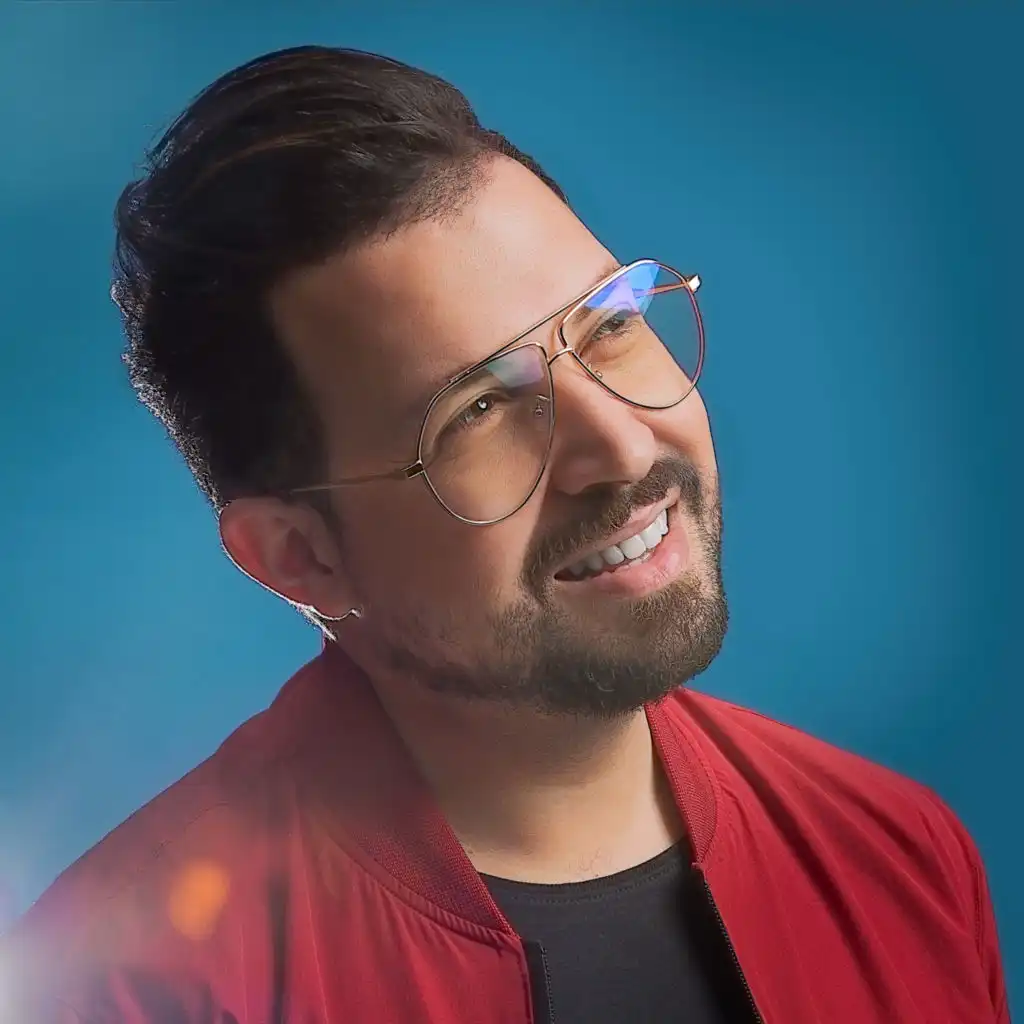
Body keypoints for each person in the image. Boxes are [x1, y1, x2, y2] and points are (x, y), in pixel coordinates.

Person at [1, 45, 1009, 1024]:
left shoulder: (900, 855)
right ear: (300, 556)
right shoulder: (135, 993)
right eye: (478, 410)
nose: (623, 444)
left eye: (611, 323)